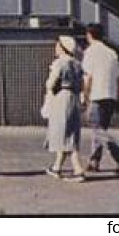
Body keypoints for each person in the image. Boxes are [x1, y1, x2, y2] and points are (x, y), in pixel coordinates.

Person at [82, 23, 119, 174]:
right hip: (110, 95)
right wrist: (118, 97)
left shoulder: (90, 52)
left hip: (97, 95)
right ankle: (94, 161)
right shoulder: (112, 53)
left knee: (97, 129)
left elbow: (88, 77)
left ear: (89, 35)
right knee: (100, 129)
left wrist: (85, 96)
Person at [44, 35, 86, 182]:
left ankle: (78, 170)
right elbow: (82, 84)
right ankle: (56, 167)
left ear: (63, 47)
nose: (55, 47)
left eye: (57, 45)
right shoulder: (77, 64)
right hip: (74, 98)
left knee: (64, 133)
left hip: (61, 98)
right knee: (69, 131)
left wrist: (49, 83)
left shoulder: (59, 63)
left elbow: (50, 84)